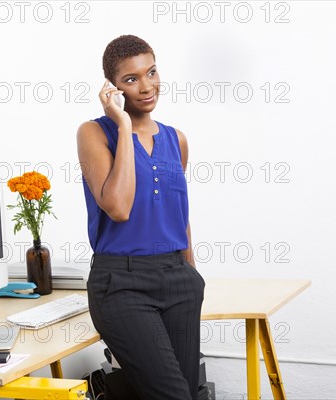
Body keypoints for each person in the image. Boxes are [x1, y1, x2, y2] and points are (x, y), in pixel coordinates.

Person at [77, 34, 206, 399]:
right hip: (122, 284)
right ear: (113, 89)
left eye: (151, 72)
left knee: (187, 392)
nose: (146, 86)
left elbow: (179, 215)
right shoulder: (94, 133)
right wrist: (122, 126)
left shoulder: (175, 139)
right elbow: (118, 207)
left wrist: (191, 275)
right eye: (131, 79)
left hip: (178, 280)